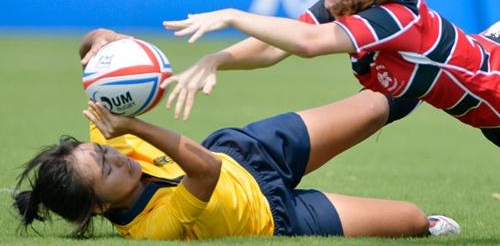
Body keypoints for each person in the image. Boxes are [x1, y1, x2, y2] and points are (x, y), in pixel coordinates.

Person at [162, 0, 499, 146]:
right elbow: (271, 47)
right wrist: (217, 59)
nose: (329, 0)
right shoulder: (348, 6)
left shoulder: (393, 18)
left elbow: (309, 43)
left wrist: (233, 15)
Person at [14, 91, 461, 239]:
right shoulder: (153, 230)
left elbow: (90, 55)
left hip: (248, 153)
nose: (118, 157)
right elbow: (203, 171)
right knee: (412, 220)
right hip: (276, 217)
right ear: (97, 208)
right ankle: (426, 224)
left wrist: (102, 45)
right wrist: (136, 126)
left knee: (374, 105)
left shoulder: (109, 146)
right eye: (108, 169)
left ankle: (465, 61)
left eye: (107, 152)